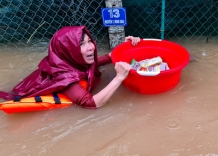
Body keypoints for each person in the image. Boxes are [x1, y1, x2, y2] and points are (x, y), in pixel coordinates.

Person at [0, 26, 140, 108]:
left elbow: (109, 57)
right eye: (81, 44)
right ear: (69, 51)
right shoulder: (66, 78)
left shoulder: (76, 60)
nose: (91, 47)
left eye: (89, 41)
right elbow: (91, 104)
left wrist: (127, 44)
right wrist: (119, 78)